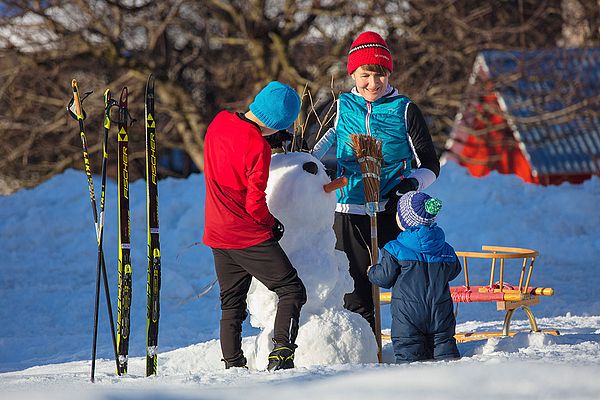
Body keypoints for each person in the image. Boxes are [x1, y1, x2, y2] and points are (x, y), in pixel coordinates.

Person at [311, 31, 441, 332]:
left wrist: (408, 186)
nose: (372, 83)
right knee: (356, 288)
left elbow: (430, 165)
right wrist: (324, 179)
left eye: (379, 75)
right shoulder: (340, 107)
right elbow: (309, 154)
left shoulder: (404, 109)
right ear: (353, 73)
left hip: (393, 209)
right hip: (349, 210)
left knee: (411, 278)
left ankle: (414, 340)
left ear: (388, 74)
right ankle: (367, 350)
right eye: (365, 75)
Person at [203, 81, 307, 371]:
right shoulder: (257, 146)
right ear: (279, 124)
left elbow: (230, 153)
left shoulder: (219, 122)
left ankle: (233, 366)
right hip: (247, 236)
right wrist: (272, 224)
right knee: (291, 289)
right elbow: (254, 204)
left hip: (217, 233)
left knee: (231, 304)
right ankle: (282, 354)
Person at [368, 191, 461, 363]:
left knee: (410, 357)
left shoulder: (395, 248)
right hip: (440, 312)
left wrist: (372, 271)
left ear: (404, 221)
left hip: (407, 316)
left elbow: (384, 278)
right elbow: (454, 271)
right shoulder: (446, 248)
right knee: (445, 352)